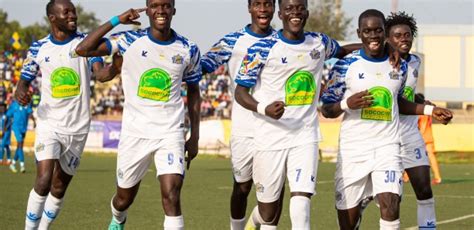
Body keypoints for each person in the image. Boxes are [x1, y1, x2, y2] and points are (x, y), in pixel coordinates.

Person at [320, 9, 453, 230]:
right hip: (355, 149)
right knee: (348, 221)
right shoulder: (345, 65)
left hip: (388, 146)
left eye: (377, 31)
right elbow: (326, 109)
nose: (373, 36)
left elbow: (397, 102)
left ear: (384, 33)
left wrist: (429, 110)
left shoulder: (399, 65)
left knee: (391, 203)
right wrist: (346, 104)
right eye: (367, 31)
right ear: (359, 33)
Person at [75, 0, 202, 229]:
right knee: (124, 198)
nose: (160, 10)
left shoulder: (188, 48)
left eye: (166, 5)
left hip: (170, 132)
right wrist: (117, 20)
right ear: (148, 9)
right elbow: (83, 49)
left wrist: (194, 137)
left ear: (173, 9)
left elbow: (194, 93)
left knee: (171, 194)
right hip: (135, 133)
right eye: (155, 5)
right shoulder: (128, 40)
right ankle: (118, 217)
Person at [234, 0, 360, 228]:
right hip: (269, 137)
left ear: (307, 13)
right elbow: (240, 92)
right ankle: (254, 221)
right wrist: (264, 108)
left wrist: (379, 44)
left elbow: (342, 51)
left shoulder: (319, 42)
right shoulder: (261, 48)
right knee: (268, 214)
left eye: (300, 8)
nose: (295, 13)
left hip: (305, 136)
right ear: (280, 14)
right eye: (290, 9)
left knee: (302, 201)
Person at [16, 0, 118, 229]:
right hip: (49, 123)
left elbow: (100, 73)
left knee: (59, 187)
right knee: (43, 181)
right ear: (53, 18)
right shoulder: (38, 49)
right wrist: (21, 92)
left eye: (74, 11)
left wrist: (114, 68)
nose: (73, 15)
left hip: (78, 126)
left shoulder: (86, 45)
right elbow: (23, 82)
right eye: (67, 12)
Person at [201, 0, 285, 229]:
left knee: (276, 187)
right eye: (257, 4)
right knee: (242, 186)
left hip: (276, 127)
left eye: (267, 4)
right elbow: (201, 66)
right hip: (244, 128)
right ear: (249, 8)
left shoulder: (283, 41)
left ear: (274, 8)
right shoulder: (232, 41)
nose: (263, 9)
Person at [386, 12, 440, 229]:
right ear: (388, 40)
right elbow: (394, 102)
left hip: (411, 134)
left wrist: (425, 103)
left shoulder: (416, 61)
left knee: (425, 190)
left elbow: (409, 96)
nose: (404, 39)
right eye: (398, 36)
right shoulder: (384, 63)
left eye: (407, 35)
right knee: (391, 198)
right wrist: (428, 110)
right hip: (386, 135)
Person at [417, 93, 442, 185]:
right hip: (429, 137)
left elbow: (421, 126)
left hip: (422, 138)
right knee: (432, 158)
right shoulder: (428, 113)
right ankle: (438, 177)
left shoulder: (420, 113)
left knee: (411, 156)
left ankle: (407, 176)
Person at [6, 99, 36, 173]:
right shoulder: (14, 105)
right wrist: (5, 126)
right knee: (20, 143)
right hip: (16, 127)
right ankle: (22, 165)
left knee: (19, 146)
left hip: (23, 128)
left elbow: (30, 113)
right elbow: (8, 115)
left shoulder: (27, 104)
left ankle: (12, 163)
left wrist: (34, 121)